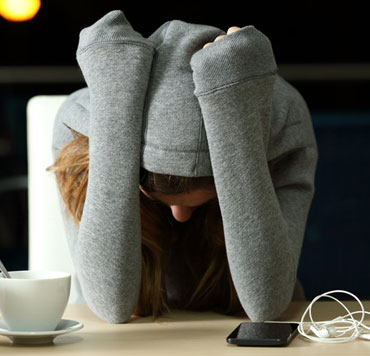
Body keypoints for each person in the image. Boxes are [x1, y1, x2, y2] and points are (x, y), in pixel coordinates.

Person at [50, 10, 318, 323]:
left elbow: (265, 304)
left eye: (207, 198)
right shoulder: (81, 130)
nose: (179, 217)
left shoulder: (283, 128)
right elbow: (112, 305)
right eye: (158, 198)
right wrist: (115, 109)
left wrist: (235, 114)